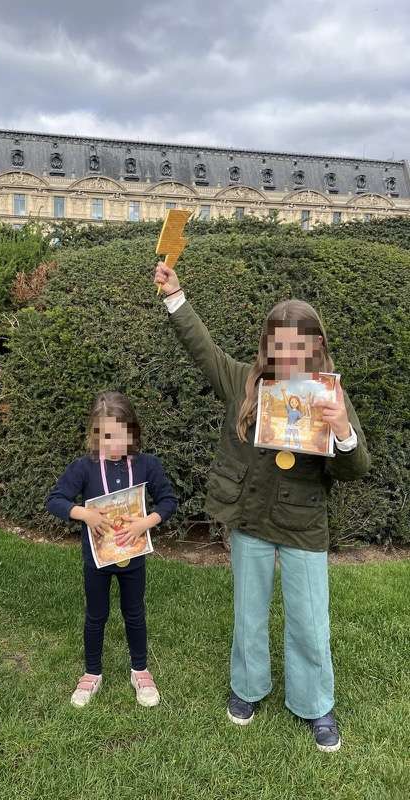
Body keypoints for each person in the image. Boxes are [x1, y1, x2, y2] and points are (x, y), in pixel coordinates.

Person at [154, 261, 370, 753]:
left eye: (301, 345)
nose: (290, 354)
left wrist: (342, 431)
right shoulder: (243, 382)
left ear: (316, 346)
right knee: (249, 613)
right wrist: (175, 294)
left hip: (303, 524)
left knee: (310, 619)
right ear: (267, 345)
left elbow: (355, 468)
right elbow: (201, 347)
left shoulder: (329, 394)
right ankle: (248, 688)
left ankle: (315, 704)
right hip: (250, 519)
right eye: (281, 344)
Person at [46, 392, 177, 708]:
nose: (115, 443)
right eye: (107, 436)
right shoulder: (84, 468)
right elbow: (55, 500)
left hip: (133, 560)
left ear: (133, 431)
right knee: (96, 615)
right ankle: (92, 673)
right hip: (97, 561)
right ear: (95, 434)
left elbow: (169, 501)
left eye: (122, 435)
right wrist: (84, 514)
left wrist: (146, 523)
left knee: (134, 613)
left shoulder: (147, 465)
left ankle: (140, 670)